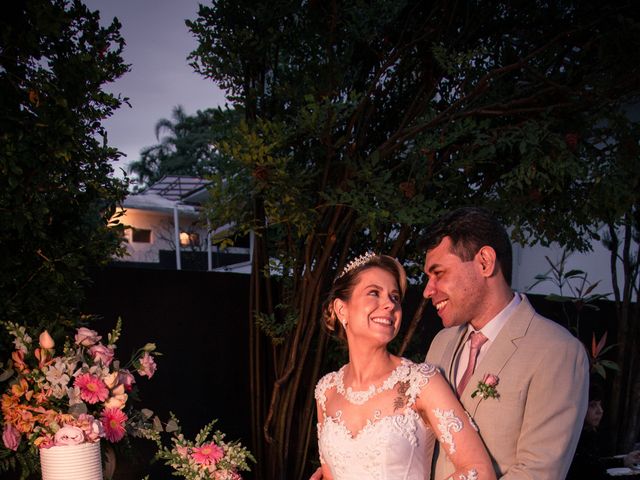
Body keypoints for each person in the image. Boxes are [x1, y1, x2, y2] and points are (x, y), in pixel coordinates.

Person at [423, 206, 590, 479]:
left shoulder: (558, 351)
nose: (428, 290)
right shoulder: (441, 344)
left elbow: (538, 472)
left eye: (438, 273)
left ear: (485, 262)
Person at [313, 252, 496, 480]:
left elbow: (479, 471)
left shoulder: (421, 383)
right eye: (374, 293)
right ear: (341, 310)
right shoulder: (326, 391)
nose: (389, 304)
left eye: (395, 297)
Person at [566, 382, 640, 479]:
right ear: (580, 406)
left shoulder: (588, 434)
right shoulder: (575, 439)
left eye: (600, 405)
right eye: (593, 405)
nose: (600, 411)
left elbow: (595, 465)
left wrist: (624, 460)